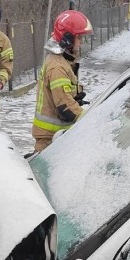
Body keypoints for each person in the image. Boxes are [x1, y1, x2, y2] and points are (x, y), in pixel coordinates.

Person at [30, 10, 93, 155]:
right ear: (68, 39)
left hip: (55, 135)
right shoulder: (57, 66)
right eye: (79, 38)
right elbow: (65, 106)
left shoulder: (62, 61)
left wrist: (75, 96)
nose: (81, 42)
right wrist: (89, 120)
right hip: (50, 139)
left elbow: (61, 95)